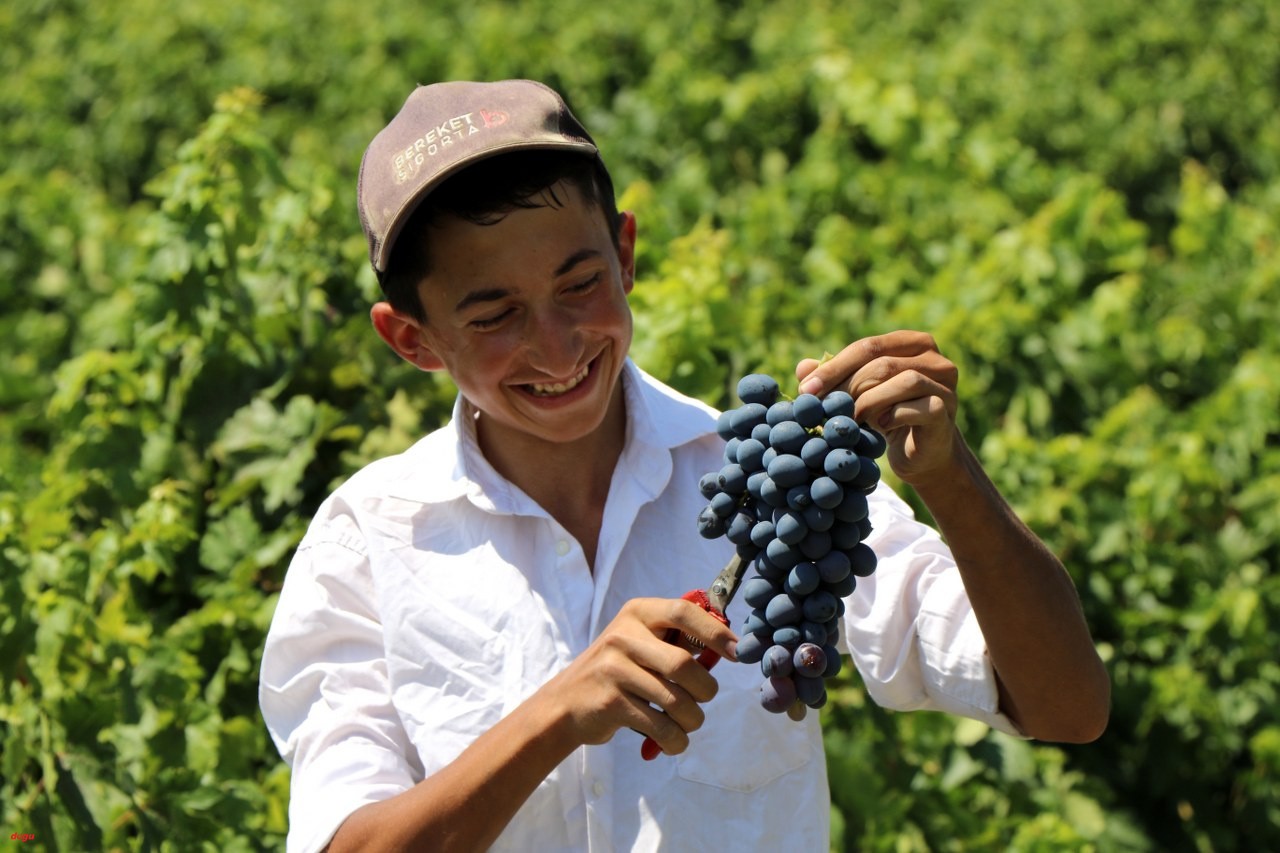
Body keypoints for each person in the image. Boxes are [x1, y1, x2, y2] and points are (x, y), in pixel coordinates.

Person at [259, 79, 1110, 853]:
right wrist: (561, 711)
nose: (556, 346)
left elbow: (1064, 705)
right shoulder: (369, 544)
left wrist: (952, 482)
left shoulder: (770, 484)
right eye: (495, 316)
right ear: (412, 339)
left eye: (581, 284)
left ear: (625, 254)